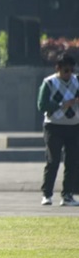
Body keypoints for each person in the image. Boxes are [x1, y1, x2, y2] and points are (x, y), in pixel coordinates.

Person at [37, 54, 79, 207]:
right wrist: (63, 104)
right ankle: (47, 194)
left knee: (72, 161)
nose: (69, 74)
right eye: (65, 70)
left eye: (71, 70)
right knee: (53, 160)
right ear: (58, 69)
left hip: (74, 126)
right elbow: (42, 106)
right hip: (53, 126)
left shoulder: (77, 81)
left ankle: (67, 195)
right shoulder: (49, 83)